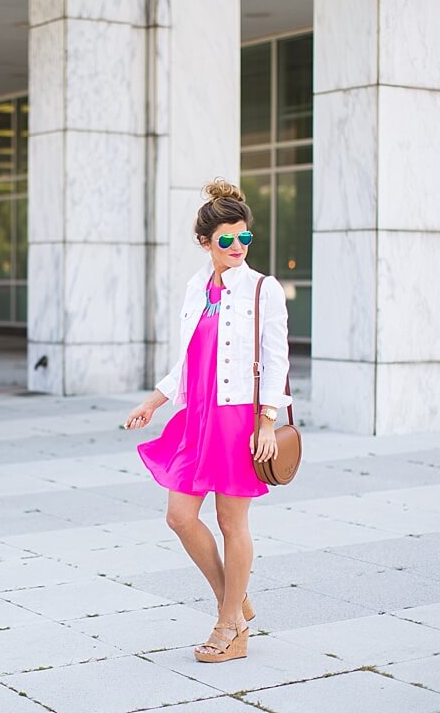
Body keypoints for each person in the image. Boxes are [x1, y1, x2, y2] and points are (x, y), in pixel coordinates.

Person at [124, 178, 291, 663]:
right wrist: (154, 400)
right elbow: (190, 357)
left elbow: (277, 359)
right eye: (226, 240)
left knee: (229, 521)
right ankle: (234, 599)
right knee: (179, 517)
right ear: (204, 242)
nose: (237, 246)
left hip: (239, 418)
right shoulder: (197, 288)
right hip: (196, 416)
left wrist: (266, 420)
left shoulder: (263, 289)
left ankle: (229, 628)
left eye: (245, 238)